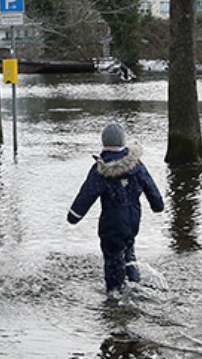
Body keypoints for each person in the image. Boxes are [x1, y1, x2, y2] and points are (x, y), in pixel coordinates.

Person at [67, 122, 165, 293]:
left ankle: (115, 294)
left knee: (113, 258)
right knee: (128, 250)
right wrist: (157, 205)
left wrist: (73, 216)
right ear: (122, 142)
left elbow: (86, 195)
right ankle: (134, 282)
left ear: (104, 143)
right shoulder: (137, 165)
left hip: (111, 223)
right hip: (133, 220)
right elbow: (151, 187)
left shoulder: (101, 169)